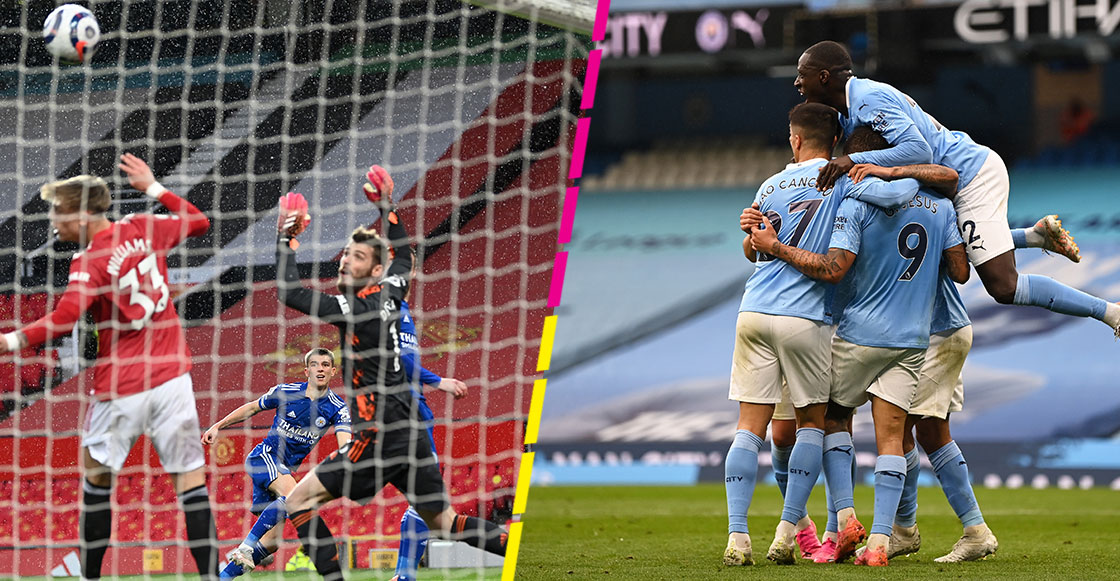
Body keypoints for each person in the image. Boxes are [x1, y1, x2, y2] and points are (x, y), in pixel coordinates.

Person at [749, 126, 970, 566]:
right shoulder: (941, 205)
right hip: (912, 340)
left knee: (829, 418)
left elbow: (835, 267)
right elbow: (961, 271)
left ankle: (843, 520)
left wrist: (775, 246)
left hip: (859, 333)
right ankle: (880, 544)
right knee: (893, 437)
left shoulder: (856, 202)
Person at [273, 165, 507, 581]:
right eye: (346, 253)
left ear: (374, 271)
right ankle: (515, 545)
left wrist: (287, 238)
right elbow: (405, 254)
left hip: (377, 438)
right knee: (445, 523)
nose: (346, 259)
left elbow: (289, 292)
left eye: (357, 256)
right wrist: (387, 206)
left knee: (297, 503)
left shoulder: (351, 308)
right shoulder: (392, 293)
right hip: (413, 435)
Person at [794, 40, 1118, 337]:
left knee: (1004, 286)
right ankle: (1033, 236)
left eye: (801, 75)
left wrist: (852, 160)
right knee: (935, 242)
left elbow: (918, 150)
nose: (797, 83)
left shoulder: (868, 99)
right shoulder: (853, 106)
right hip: (942, 180)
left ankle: (1110, 312)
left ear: (824, 77)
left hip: (969, 176)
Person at [724, 103, 924, 567]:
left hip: (752, 311)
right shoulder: (846, 181)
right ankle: (785, 534)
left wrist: (750, 234)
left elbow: (753, 252)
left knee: (747, 430)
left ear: (794, 139)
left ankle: (737, 538)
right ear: (835, 143)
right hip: (805, 317)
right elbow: (897, 198)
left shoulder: (771, 183)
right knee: (813, 424)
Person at [0, 154, 218, 579]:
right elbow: (197, 221)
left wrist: (8, 340)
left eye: (59, 212)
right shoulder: (143, 227)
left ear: (82, 213)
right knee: (190, 487)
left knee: (96, 483)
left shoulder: (90, 262)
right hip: (173, 379)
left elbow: (64, 319)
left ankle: (90, 576)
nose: (54, 222)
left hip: (122, 387)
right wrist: (153, 188)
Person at [848, 160, 999, 563]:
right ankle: (959, 529)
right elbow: (961, 270)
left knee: (900, 432)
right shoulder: (936, 205)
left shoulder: (864, 207)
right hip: (943, 328)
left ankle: (912, 530)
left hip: (933, 331)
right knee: (928, 432)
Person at [200, 348, 352, 578]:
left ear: (333, 371)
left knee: (272, 542)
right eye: (314, 364)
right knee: (294, 497)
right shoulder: (286, 392)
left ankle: (224, 576)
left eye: (324, 364)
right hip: (263, 458)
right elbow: (252, 407)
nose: (319, 368)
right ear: (306, 370)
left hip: (283, 472)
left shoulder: (337, 407)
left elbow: (345, 443)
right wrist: (217, 426)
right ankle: (246, 546)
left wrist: (348, 459)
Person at [391, 263, 470, 581]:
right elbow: (398, 360)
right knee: (433, 505)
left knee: (426, 503)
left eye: (409, 268)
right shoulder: (389, 309)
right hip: (402, 416)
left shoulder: (402, 308)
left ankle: (404, 575)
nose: (407, 275)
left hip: (411, 413)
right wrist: (440, 382)